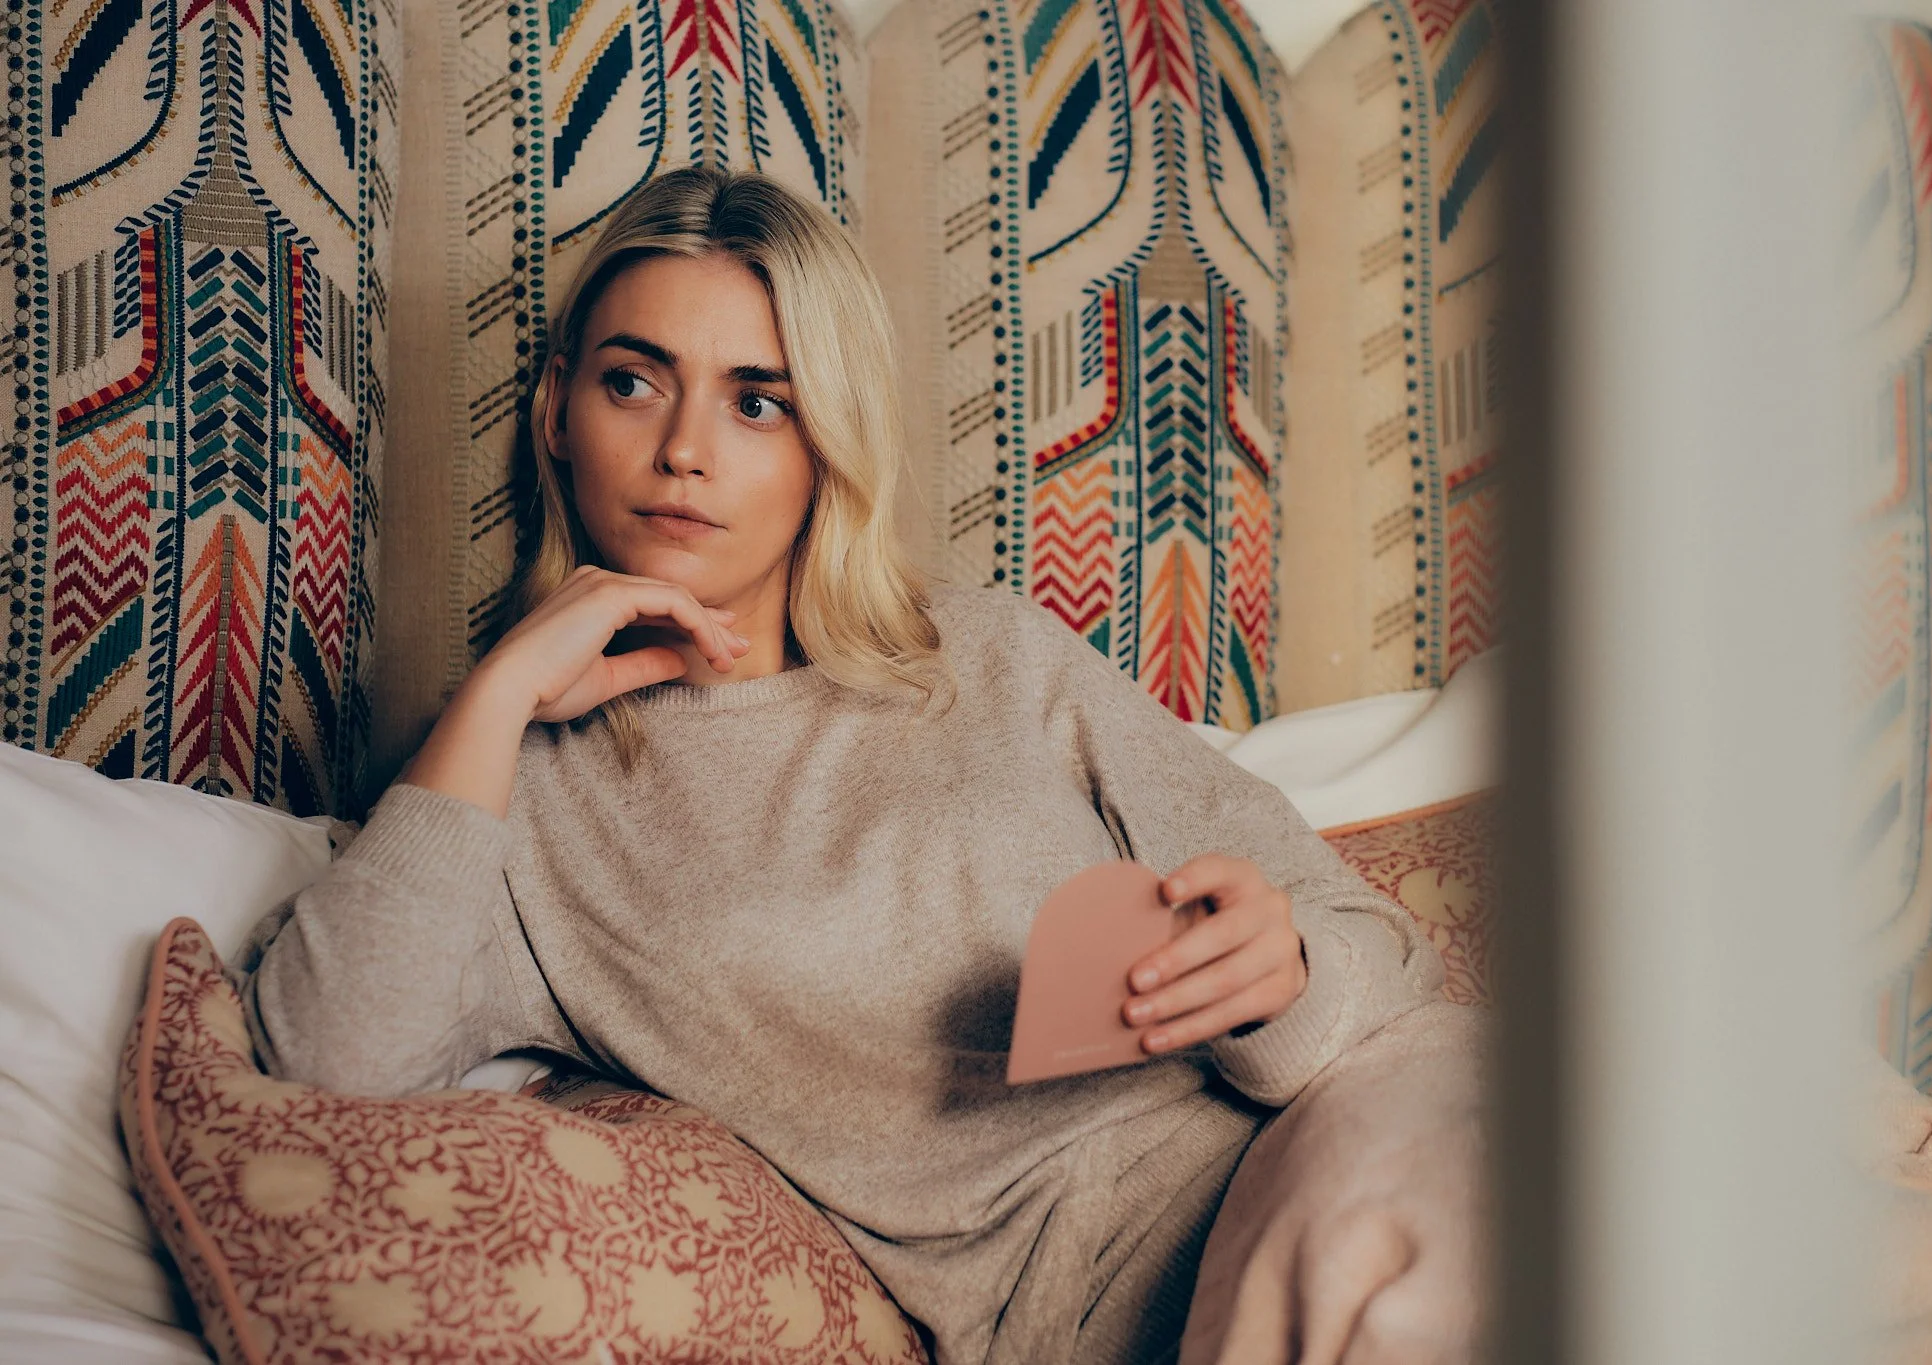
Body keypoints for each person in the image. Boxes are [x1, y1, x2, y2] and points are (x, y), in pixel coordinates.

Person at [239, 165, 1470, 1364]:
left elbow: (1378, 957)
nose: (684, 451)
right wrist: (500, 694)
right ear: (556, 408)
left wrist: (1280, 973)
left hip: (1356, 1136)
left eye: (756, 402)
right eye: (632, 383)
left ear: (826, 439)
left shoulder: (985, 654)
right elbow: (324, 1063)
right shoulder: (516, 811)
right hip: (1108, 1306)